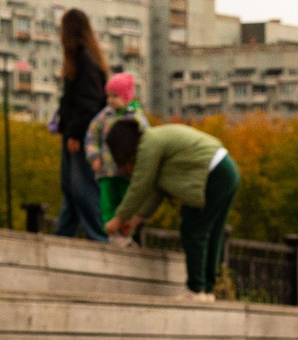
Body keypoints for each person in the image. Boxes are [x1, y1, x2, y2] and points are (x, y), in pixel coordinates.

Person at [103, 117, 237, 296]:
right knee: (211, 232)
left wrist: (118, 218)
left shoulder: (148, 145)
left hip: (213, 173)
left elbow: (139, 186)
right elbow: (157, 191)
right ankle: (207, 290)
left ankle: (196, 290)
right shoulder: (154, 141)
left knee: (194, 229)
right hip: (225, 170)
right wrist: (135, 221)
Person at [50, 11, 110, 243]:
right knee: (70, 187)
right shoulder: (81, 60)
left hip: (83, 135)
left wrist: (75, 132)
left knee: (82, 187)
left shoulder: (85, 60)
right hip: (74, 132)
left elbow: (88, 101)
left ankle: (100, 236)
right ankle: (64, 234)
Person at [90, 72, 148, 227]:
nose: (110, 100)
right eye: (108, 96)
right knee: (107, 203)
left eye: (115, 96)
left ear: (126, 96)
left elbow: (145, 141)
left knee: (127, 203)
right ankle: (109, 232)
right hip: (106, 170)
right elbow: (92, 136)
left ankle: (126, 231)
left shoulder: (136, 118)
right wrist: (94, 156)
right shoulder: (104, 116)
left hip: (127, 171)